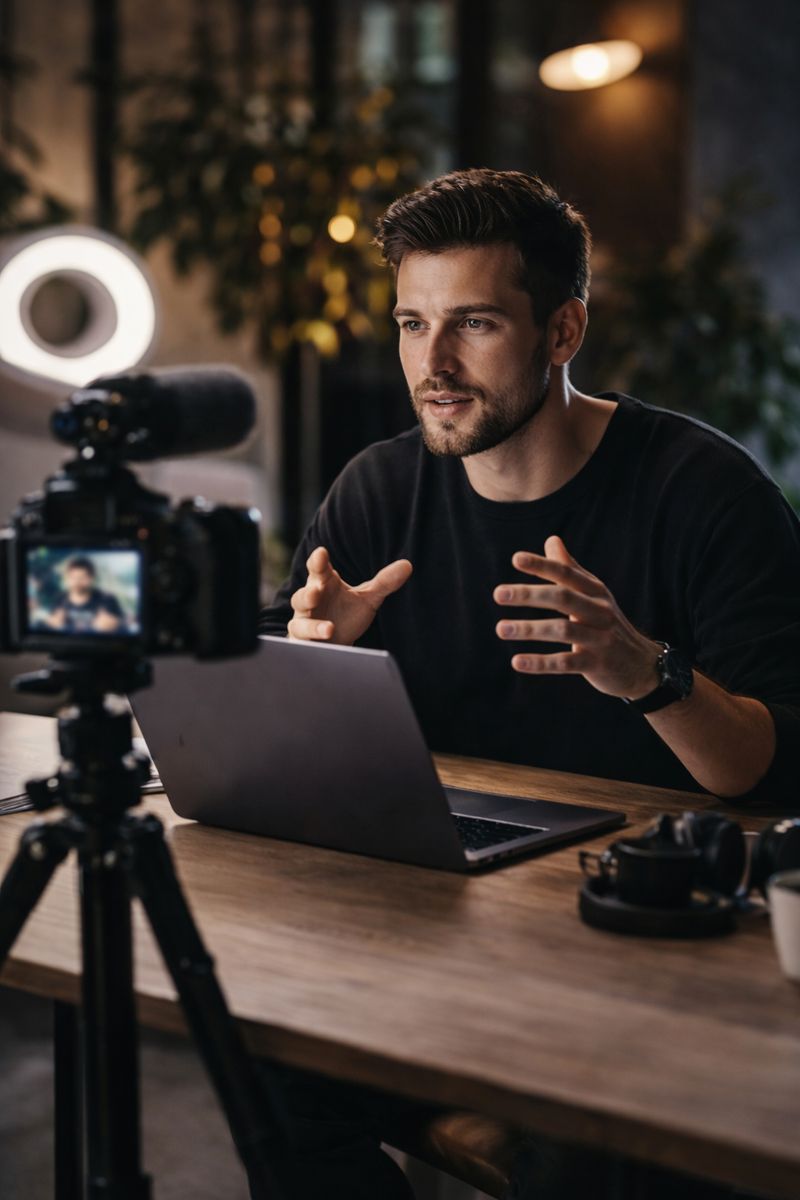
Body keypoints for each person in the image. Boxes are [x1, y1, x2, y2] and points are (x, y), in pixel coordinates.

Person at [256, 169, 800, 1199]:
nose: (434, 364)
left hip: (638, 957)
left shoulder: (702, 491)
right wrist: (313, 661)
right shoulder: (375, 490)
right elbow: (301, 778)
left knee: (590, 1164)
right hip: (432, 937)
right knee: (254, 1051)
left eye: (472, 324)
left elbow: (769, 773)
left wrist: (639, 670)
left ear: (562, 332)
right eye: (413, 324)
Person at [42, 556, 124, 634]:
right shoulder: (60, 598)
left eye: (82, 577)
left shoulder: (107, 599)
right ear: (67, 578)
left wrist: (113, 624)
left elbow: (122, 624)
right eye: (73, 577)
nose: (77, 582)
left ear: (92, 578)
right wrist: (53, 623)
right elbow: (51, 621)